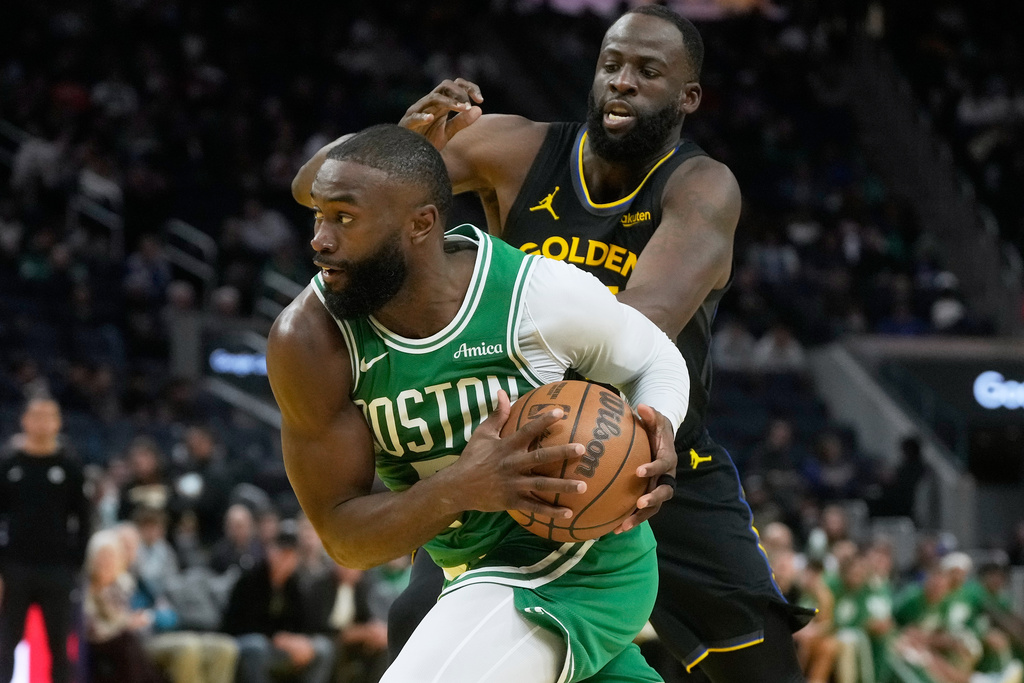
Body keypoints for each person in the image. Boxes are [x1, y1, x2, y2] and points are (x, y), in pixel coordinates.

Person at [291, 5, 811, 681]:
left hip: (649, 440)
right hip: (518, 440)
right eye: (611, 65)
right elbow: (317, 190)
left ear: (688, 98)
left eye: (648, 72)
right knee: (416, 619)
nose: (622, 82)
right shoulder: (514, 148)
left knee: (756, 657)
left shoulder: (701, 187)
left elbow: (637, 329)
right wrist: (396, 145)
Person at [269, 123, 688, 682]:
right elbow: (344, 537)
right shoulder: (310, 339)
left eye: (344, 218)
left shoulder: (534, 295)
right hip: (468, 571)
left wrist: (659, 423)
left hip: (583, 564)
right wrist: (462, 486)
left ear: (422, 224)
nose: (320, 239)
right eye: (318, 216)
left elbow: (653, 359)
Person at [0, 397, 92, 683]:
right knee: (5, 647)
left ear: (58, 422)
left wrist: (74, 562)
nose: (41, 422)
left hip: (57, 570)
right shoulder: (8, 466)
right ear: (24, 421)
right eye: (35, 415)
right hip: (15, 569)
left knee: (60, 648)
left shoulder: (70, 469)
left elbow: (84, 520)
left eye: (48, 416)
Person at [221, 520, 335, 683]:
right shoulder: (250, 579)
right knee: (257, 646)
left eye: (290, 553)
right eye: (281, 551)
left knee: (323, 647)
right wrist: (277, 637)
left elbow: (302, 623)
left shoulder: (294, 585)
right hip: (245, 640)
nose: (285, 558)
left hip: (280, 643)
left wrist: (299, 641)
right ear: (270, 550)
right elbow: (242, 624)